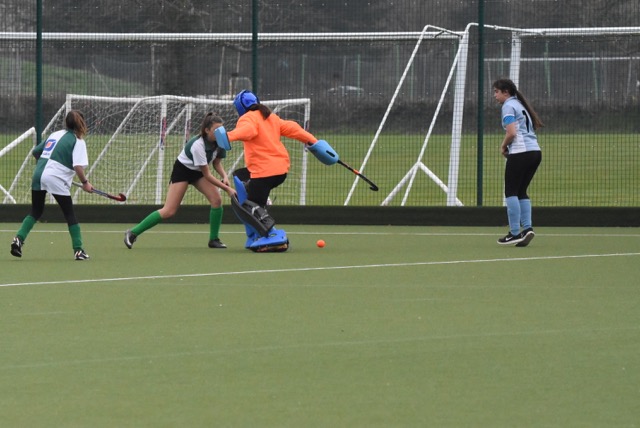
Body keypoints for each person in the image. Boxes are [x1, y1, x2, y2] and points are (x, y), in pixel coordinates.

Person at [223, 90, 321, 252]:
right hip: (280, 171)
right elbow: (293, 128)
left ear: (240, 107)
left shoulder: (247, 118)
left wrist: (228, 136)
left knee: (248, 206)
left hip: (264, 172)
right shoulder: (270, 117)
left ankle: (274, 235)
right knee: (242, 180)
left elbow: (248, 131)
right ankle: (255, 234)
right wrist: (313, 141)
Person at [124, 112, 236, 249]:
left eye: (221, 129)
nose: (220, 133)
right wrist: (227, 189)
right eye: (216, 130)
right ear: (207, 130)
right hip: (183, 170)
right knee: (169, 211)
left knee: (216, 200)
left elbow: (216, 163)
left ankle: (214, 239)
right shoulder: (198, 145)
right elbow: (207, 175)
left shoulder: (221, 141)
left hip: (198, 172)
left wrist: (224, 176)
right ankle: (133, 233)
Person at [10, 110, 93, 260]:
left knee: (36, 210)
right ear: (81, 124)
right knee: (69, 214)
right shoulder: (78, 141)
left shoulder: (55, 134)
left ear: (66, 123)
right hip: (55, 177)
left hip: (38, 174)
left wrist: (46, 166)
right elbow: (77, 166)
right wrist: (85, 183)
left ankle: (18, 239)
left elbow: (36, 152)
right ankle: (78, 250)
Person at [492, 78, 543, 247]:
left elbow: (512, 132)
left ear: (506, 92)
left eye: (496, 92)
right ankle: (527, 229)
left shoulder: (508, 106)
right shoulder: (520, 104)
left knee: (511, 192)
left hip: (521, 152)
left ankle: (514, 233)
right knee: (521, 191)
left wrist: (503, 146)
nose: (495, 96)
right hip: (535, 152)